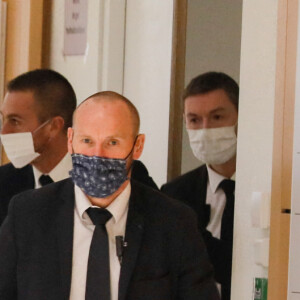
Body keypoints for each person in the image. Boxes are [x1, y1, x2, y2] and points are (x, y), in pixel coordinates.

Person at [0, 91, 220, 300]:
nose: (97, 156)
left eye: (112, 143)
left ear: (137, 146)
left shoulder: (174, 222)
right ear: (70, 140)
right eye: (87, 141)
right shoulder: (28, 214)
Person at [0, 69, 157, 226]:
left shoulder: (125, 174)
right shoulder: (5, 182)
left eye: (15, 121)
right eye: (3, 119)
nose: (4, 131)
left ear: (54, 126)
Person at [161, 72, 239, 300]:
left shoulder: (274, 190)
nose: (205, 129)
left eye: (216, 117)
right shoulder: (175, 194)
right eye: (195, 120)